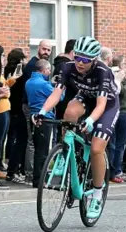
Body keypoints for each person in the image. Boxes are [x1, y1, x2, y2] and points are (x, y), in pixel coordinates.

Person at [34, 36, 119, 219]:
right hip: (85, 98)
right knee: (69, 113)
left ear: (94, 59)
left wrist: (90, 120)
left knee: (96, 148)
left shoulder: (103, 71)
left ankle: (97, 194)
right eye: (78, 58)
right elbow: (56, 94)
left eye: (86, 60)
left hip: (107, 105)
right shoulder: (67, 67)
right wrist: (42, 112)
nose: (80, 63)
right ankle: (65, 153)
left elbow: (101, 105)